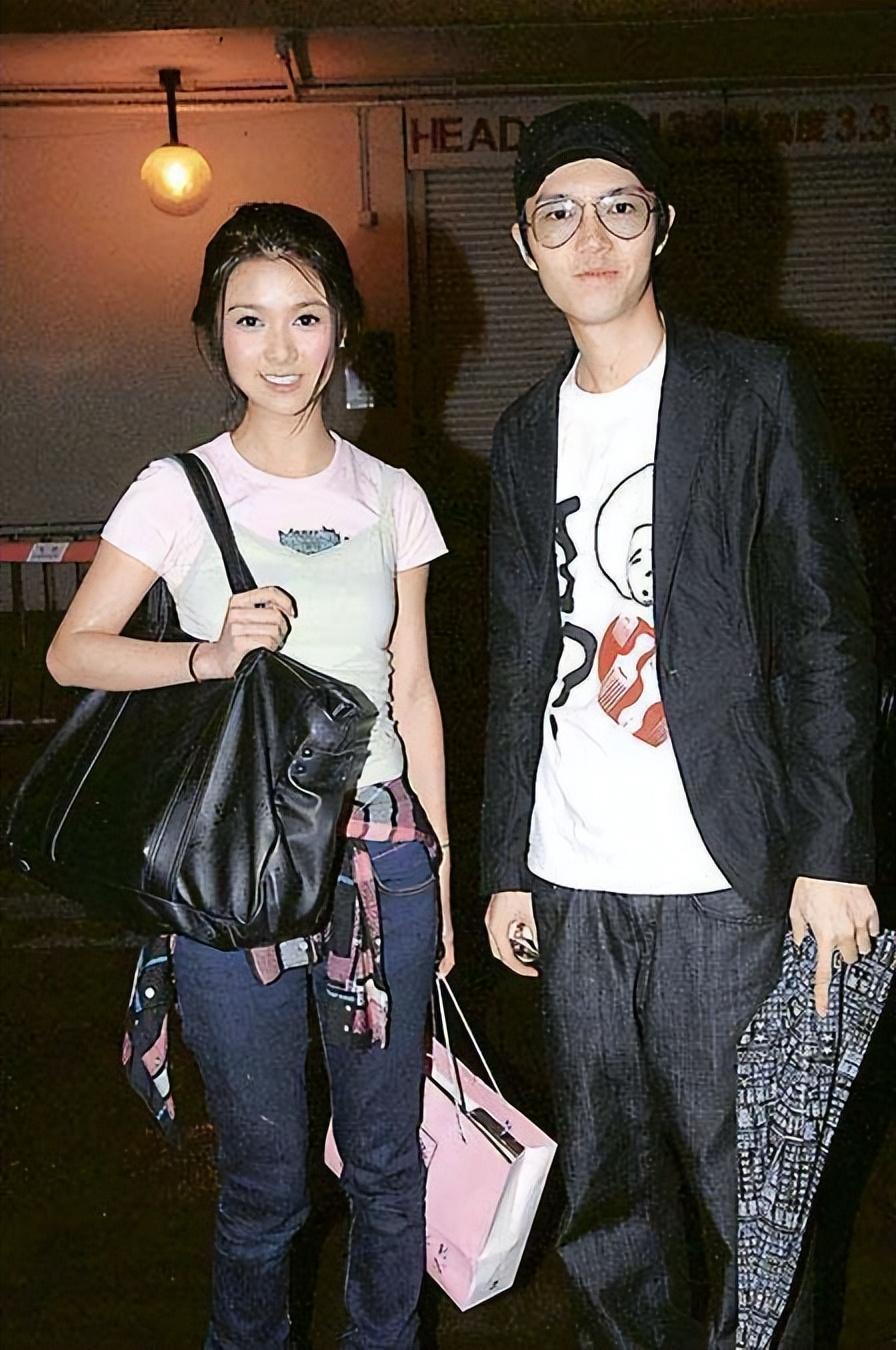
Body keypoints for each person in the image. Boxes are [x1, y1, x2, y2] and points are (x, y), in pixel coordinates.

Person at [482, 101, 879, 1349]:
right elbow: (517, 657)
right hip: (572, 874)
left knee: (754, 1200)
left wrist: (833, 852)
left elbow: (824, 627)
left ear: (660, 227)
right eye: (557, 213)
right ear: (524, 245)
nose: (589, 236)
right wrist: (504, 866)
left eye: (617, 206)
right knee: (605, 1203)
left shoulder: (749, 389)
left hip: (726, 872)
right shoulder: (522, 432)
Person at [47, 201, 452, 1350]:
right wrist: (205, 654)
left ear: (342, 330)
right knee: (267, 1183)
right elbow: (73, 650)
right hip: (232, 862)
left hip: (381, 856)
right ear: (213, 334)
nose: (279, 348)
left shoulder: (391, 495)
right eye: (249, 319)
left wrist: (441, 872)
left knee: (386, 1166)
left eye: (304, 317)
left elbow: (413, 688)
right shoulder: (176, 490)